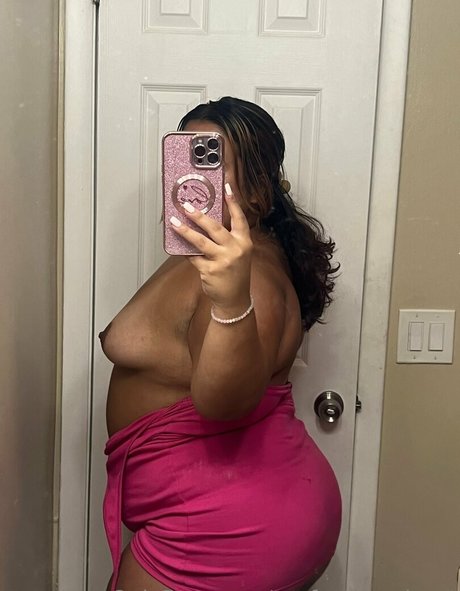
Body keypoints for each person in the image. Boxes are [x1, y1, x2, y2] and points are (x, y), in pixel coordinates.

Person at [100, 96, 342, 591]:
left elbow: (224, 404)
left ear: (257, 187)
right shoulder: (209, 255)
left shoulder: (250, 280)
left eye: (211, 159)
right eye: (187, 155)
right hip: (221, 514)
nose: (194, 176)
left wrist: (232, 300)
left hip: (231, 528)